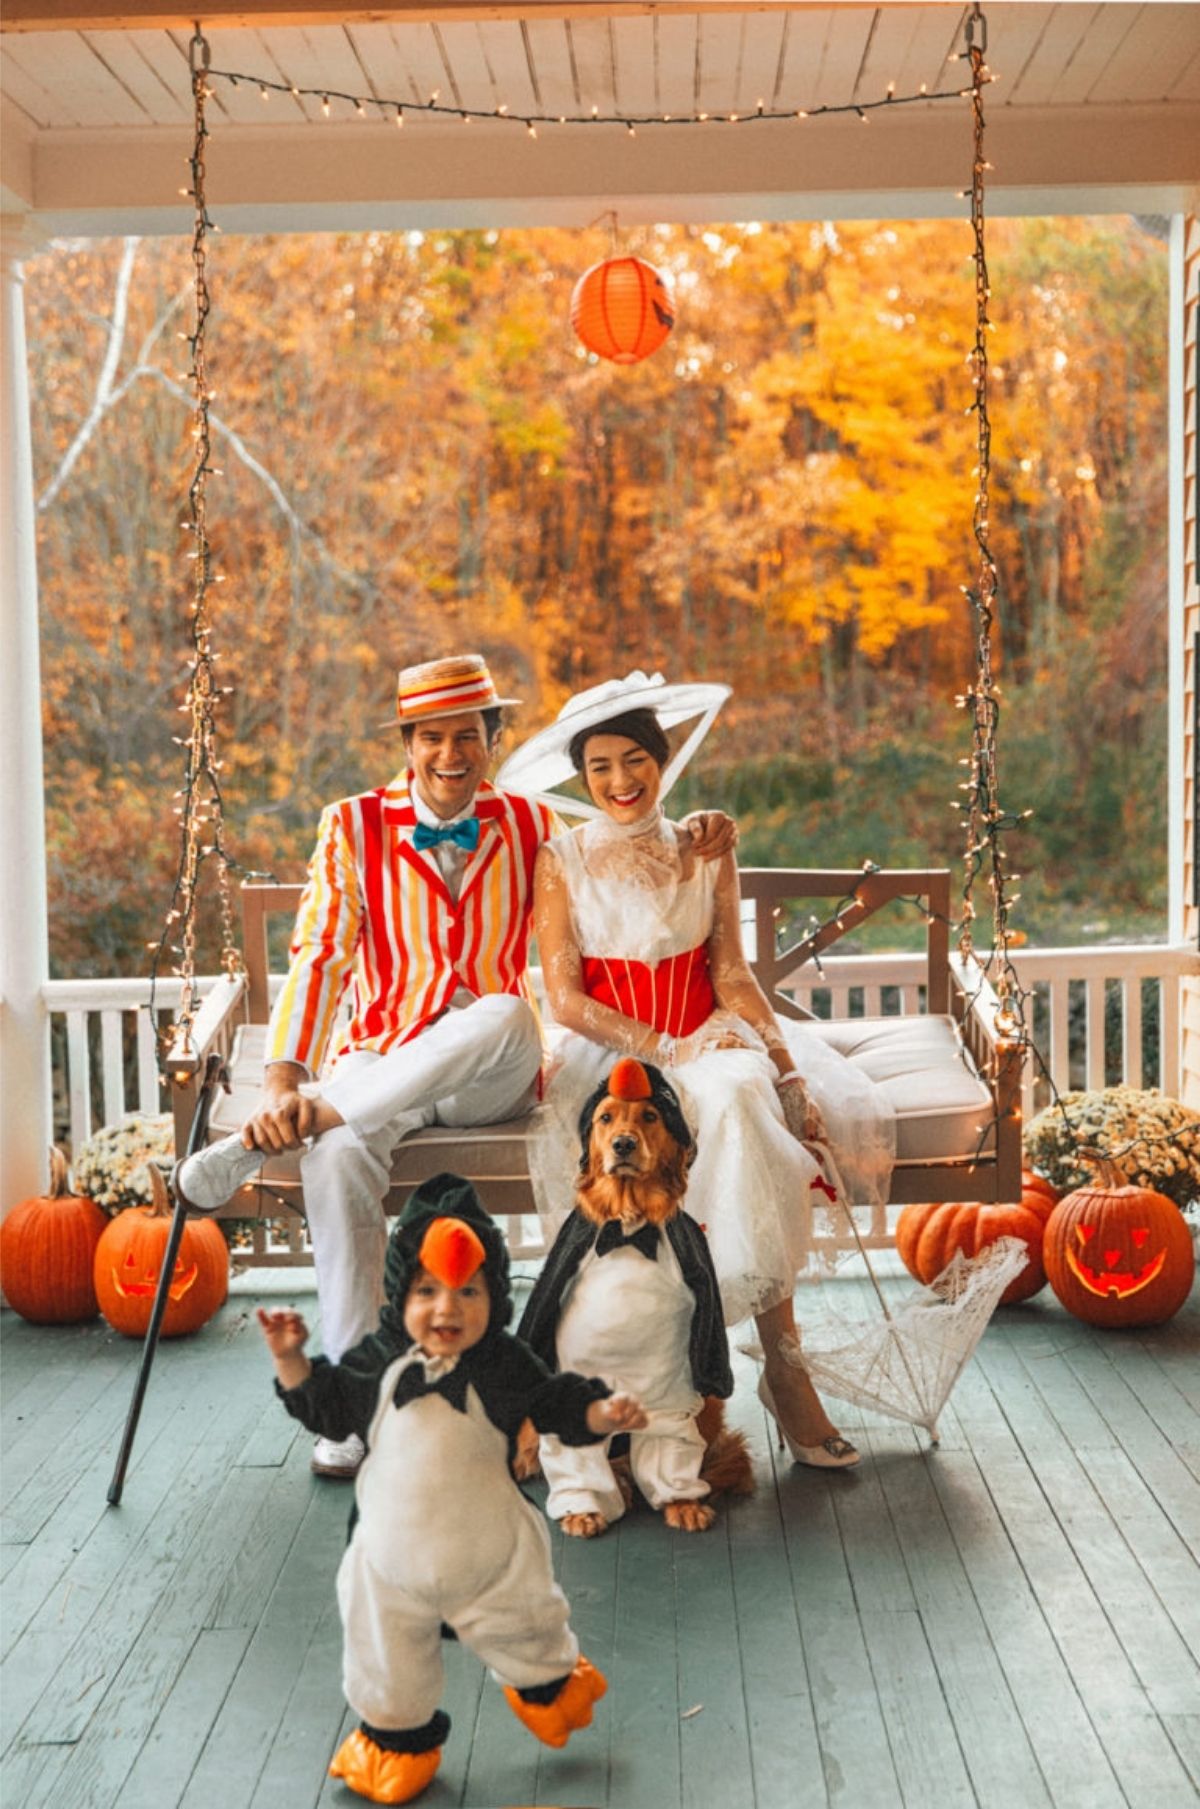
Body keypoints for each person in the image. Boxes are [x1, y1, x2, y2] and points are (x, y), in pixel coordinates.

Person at [176, 653, 733, 1477]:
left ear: (490, 739)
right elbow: (322, 955)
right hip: (381, 1062)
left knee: (506, 1011)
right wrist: (286, 1076)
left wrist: (696, 826)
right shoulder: (353, 823)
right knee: (331, 1155)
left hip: (489, 1076)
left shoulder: (534, 824)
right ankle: (354, 1405)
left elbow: (624, 827)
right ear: (408, 743)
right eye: (431, 737)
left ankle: (311, 1119)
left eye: (466, 736)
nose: (450, 755)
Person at [502, 672, 896, 1468]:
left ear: (664, 757)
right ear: (583, 775)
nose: (620, 781)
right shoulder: (561, 858)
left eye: (636, 758)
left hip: (706, 1029)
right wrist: (666, 1052)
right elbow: (569, 1001)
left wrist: (787, 1070)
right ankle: (613, 1390)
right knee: (629, 1135)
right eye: (601, 765)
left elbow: (733, 973)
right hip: (614, 1049)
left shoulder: (706, 843)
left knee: (744, 1095)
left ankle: (781, 1370)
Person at [259, 1172, 646, 1806]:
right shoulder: (379, 1361)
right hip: (390, 1563)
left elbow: (554, 1402)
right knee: (384, 1655)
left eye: (468, 1291)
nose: (448, 1309)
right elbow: (326, 1406)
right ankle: (393, 1740)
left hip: (487, 1552)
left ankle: (547, 1682)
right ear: (399, 1294)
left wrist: (603, 1415)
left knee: (527, 1623)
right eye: (428, 1290)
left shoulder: (501, 1364)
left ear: (493, 1296)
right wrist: (291, 1360)